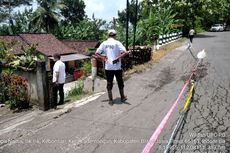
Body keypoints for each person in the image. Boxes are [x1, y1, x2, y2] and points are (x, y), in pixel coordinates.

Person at [95, 29, 129, 105]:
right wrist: (119, 57)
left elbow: (96, 53)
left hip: (108, 67)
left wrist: (102, 58)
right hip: (117, 67)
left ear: (108, 35)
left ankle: (110, 100)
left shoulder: (104, 43)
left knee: (109, 83)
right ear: (115, 35)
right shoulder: (117, 43)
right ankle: (122, 97)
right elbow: (125, 52)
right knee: (120, 82)